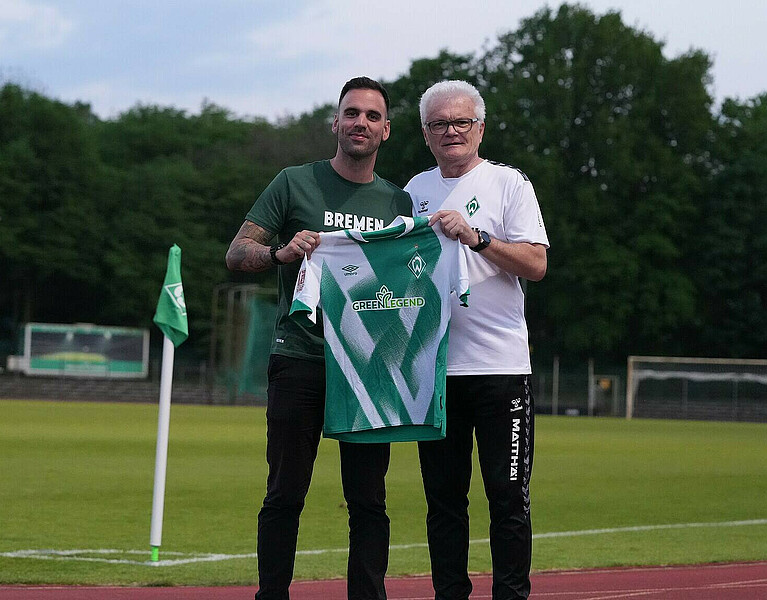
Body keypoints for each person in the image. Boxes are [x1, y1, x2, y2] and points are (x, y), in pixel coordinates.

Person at [225, 77, 412, 600]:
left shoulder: (400, 202)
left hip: (369, 369)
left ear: (387, 130)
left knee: (369, 500)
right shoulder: (293, 183)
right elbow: (237, 255)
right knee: (285, 492)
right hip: (301, 358)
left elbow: (414, 285)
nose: (361, 123)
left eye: (372, 116)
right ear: (335, 122)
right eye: (351, 113)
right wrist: (281, 253)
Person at [404, 80, 549, 600]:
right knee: (443, 501)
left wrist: (477, 237)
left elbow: (536, 264)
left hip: (500, 369)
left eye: (461, 122)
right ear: (425, 133)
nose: (451, 132)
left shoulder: (508, 184)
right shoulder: (413, 191)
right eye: (439, 124)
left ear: (480, 128)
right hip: (435, 372)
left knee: (508, 498)